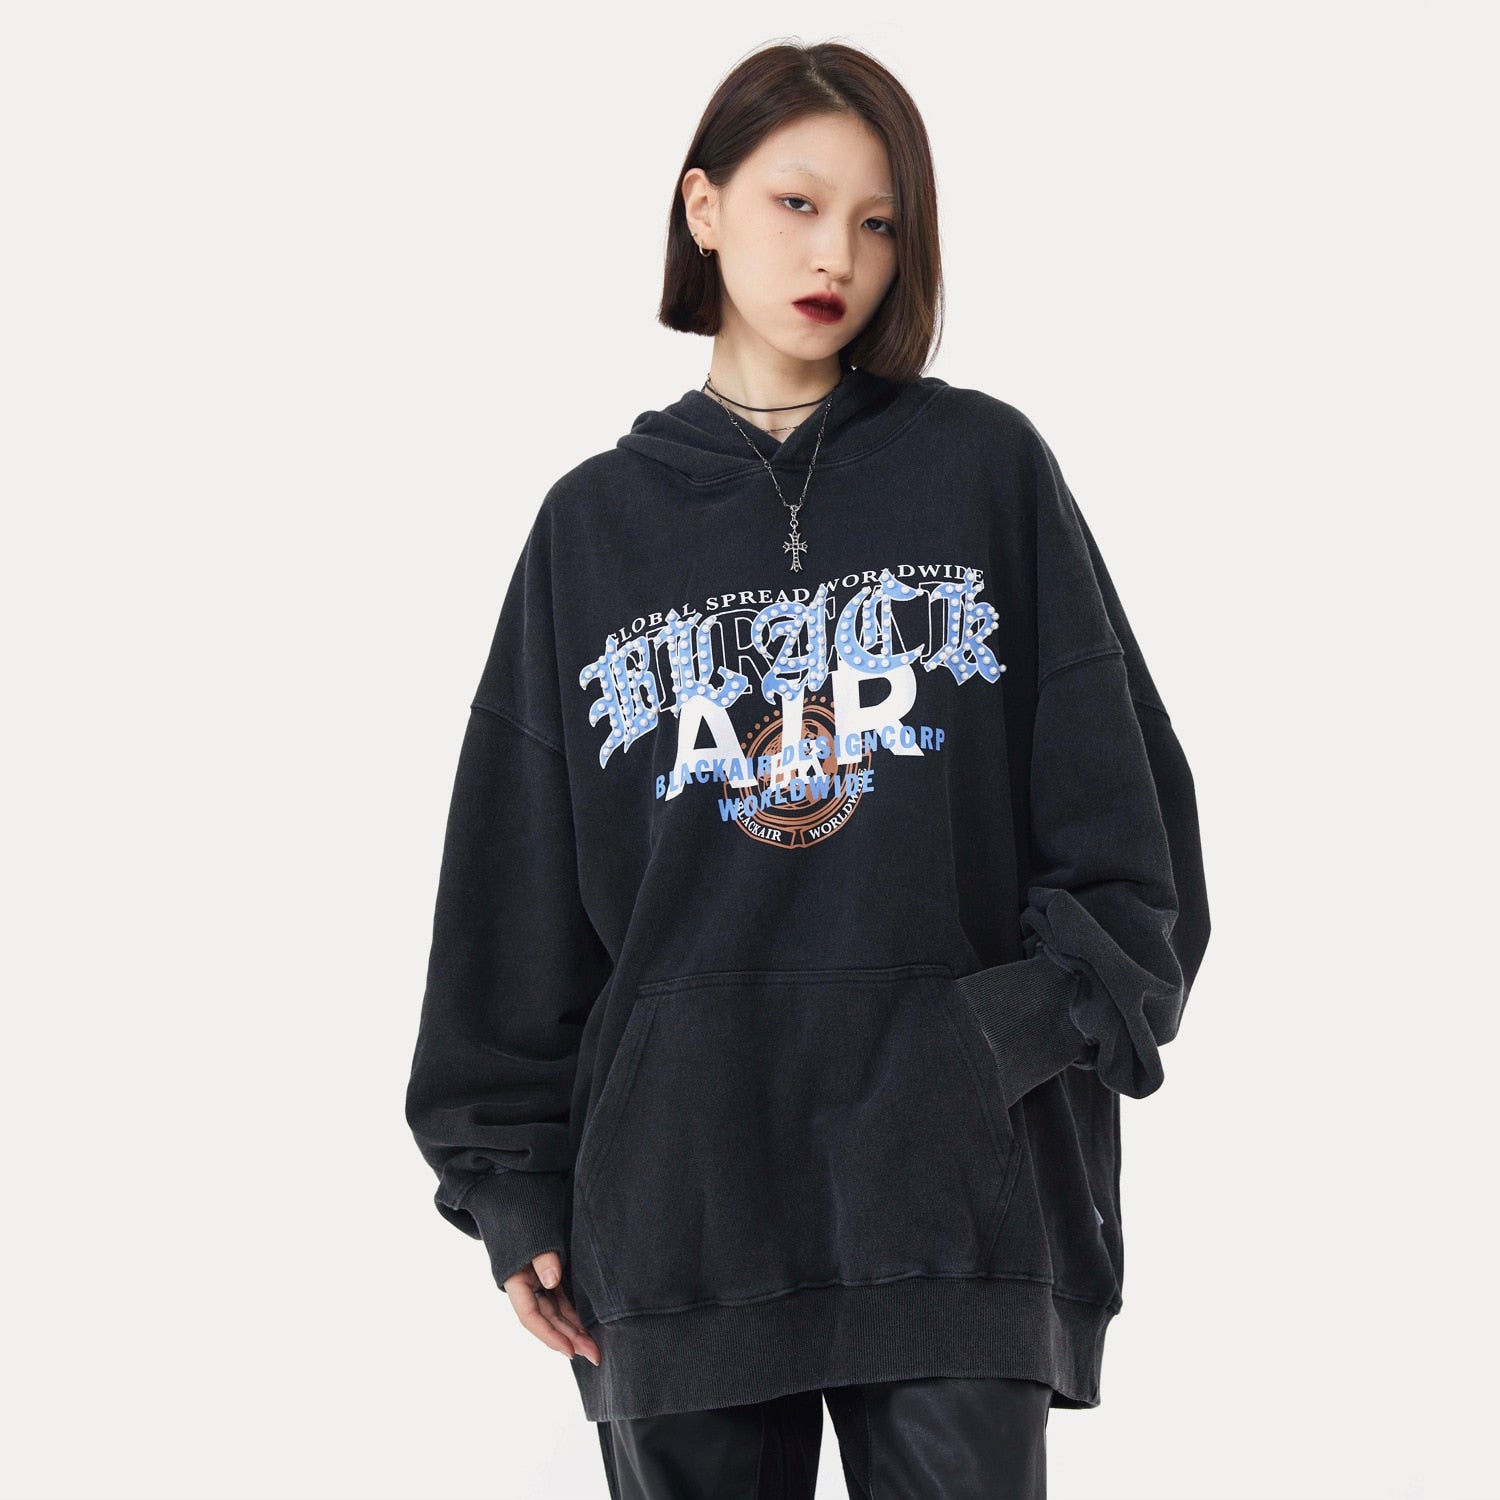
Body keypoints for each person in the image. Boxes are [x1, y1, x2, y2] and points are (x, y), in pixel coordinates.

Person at [405, 39, 1210, 1500]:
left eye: (879, 221)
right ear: (703, 207)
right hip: (682, 1215)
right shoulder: (592, 529)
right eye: (798, 203)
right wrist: (511, 1176)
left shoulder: (985, 472)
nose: (838, 253)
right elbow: (510, 890)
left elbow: (1131, 840)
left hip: (951, 1205)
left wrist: (990, 1047)